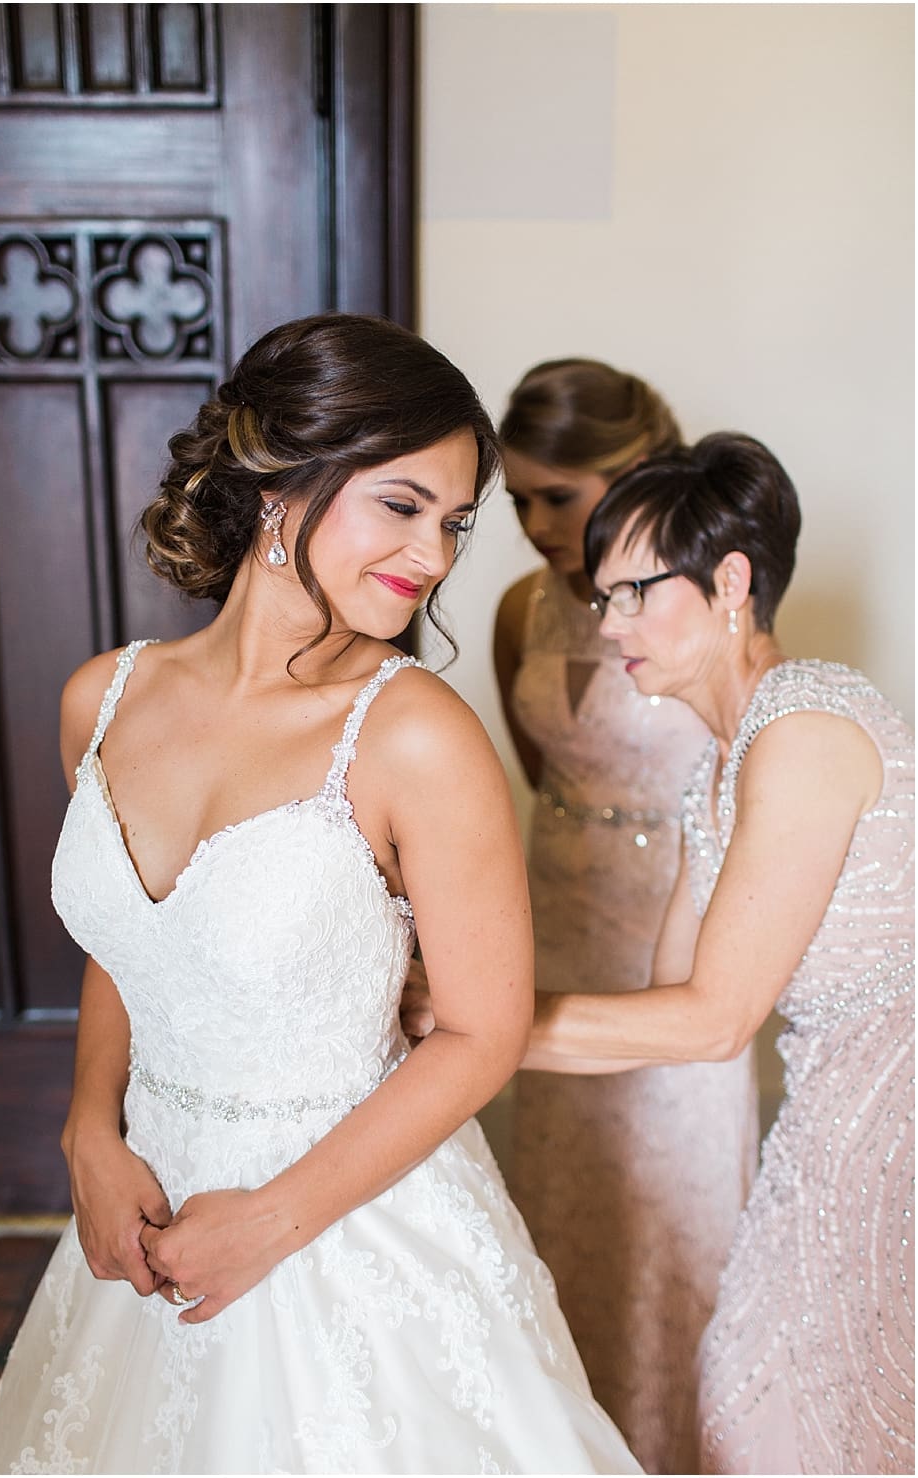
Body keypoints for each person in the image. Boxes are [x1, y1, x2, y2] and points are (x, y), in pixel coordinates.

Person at [0, 314, 639, 1474]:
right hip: (146, 1211)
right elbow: (136, 945)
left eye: (455, 522)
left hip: (349, 1228)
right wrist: (89, 1128)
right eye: (403, 505)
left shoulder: (416, 734)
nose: (433, 557)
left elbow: (484, 1031)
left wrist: (272, 1218)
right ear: (281, 478)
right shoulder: (104, 698)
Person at [409, 433, 913, 1474]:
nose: (610, 625)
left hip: (889, 1145)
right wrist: (455, 1021)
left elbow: (714, 1019)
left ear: (731, 580)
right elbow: (666, 1004)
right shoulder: (720, 768)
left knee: (771, 1414)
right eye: (603, 598)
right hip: (826, 1137)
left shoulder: (808, 728)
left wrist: (465, 1019)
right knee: (751, 1405)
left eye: (636, 593)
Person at [493, 361, 758, 1473]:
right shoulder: (519, 609)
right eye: (516, 500)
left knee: (671, 1217)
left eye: (561, 495)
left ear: (635, 471)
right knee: (552, 1205)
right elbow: (540, 771)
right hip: (553, 918)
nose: (535, 525)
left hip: (680, 939)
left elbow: (752, 768)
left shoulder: (707, 606)